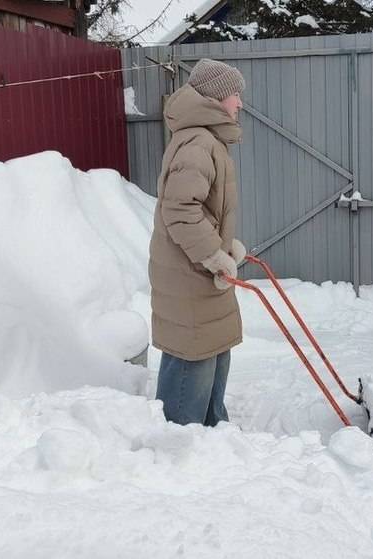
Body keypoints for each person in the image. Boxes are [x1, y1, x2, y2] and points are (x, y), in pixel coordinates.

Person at [148, 58, 246, 426]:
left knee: (214, 349)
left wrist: (223, 247)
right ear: (218, 97)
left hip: (198, 269)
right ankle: (181, 439)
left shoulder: (208, 140)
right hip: (189, 271)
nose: (239, 103)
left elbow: (200, 210)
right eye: (235, 95)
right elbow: (180, 209)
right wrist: (212, 254)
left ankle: (213, 430)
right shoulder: (197, 142)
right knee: (195, 353)